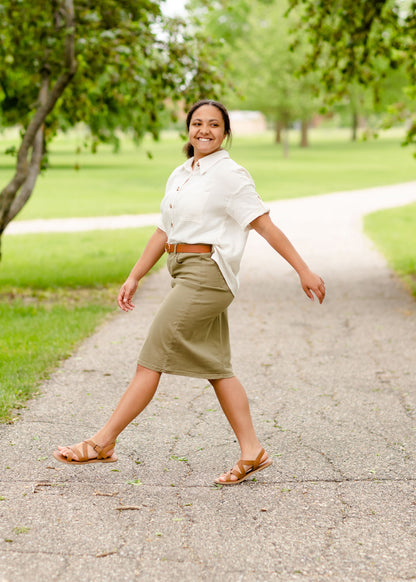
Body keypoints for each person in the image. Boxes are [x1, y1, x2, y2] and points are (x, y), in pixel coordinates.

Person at [53, 99, 325, 485]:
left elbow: (264, 225)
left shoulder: (231, 176)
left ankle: (102, 442)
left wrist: (303, 270)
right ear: (188, 129)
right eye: (198, 123)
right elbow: (163, 232)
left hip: (208, 274)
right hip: (183, 271)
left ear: (225, 132)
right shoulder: (181, 173)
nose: (205, 130)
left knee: (151, 357)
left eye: (214, 124)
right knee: (217, 367)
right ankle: (253, 451)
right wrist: (135, 276)